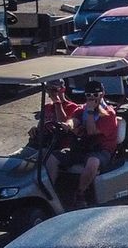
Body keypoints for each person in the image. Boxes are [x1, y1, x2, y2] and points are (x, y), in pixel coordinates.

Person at [43, 81, 120, 209]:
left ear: (102, 94)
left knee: (93, 162)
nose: (92, 97)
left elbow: (91, 131)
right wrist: (68, 125)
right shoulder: (81, 110)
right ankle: (50, 194)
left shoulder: (108, 113)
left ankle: (80, 193)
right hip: (82, 147)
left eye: (95, 94)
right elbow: (74, 119)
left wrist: (90, 111)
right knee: (51, 157)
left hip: (101, 150)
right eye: (89, 94)